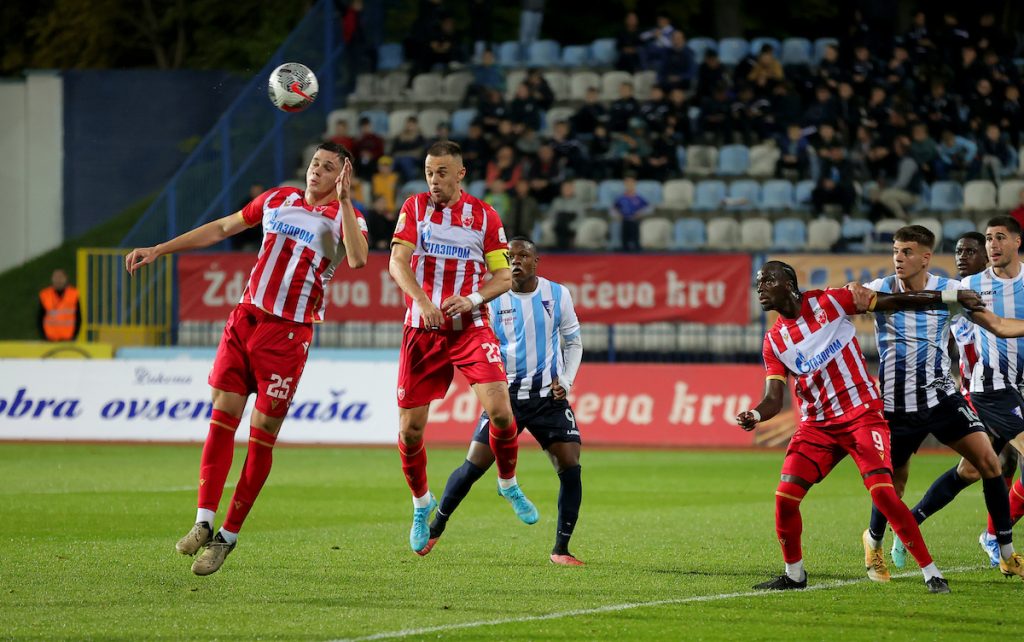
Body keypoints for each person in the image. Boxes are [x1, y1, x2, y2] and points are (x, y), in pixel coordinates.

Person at [124, 142, 369, 575]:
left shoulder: (345, 219)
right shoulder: (277, 199)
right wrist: (160, 249)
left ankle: (227, 538)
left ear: (342, 177)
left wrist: (347, 202)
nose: (316, 171)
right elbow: (222, 228)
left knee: (262, 433)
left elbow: (357, 258)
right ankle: (203, 521)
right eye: (314, 163)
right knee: (222, 414)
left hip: (288, 333)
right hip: (246, 318)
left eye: (328, 167)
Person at [736, 260, 987, 593]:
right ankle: (794, 575)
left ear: (788, 283)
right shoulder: (774, 340)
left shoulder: (830, 301)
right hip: (818, 426)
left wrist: (947, 299)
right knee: (785, 498)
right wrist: (754, 414)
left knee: (883, 492)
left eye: (767, 281)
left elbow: (894, 303)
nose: (760, 288)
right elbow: (773, 397)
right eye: (757, 283)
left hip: (860, 414)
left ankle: (931, 572)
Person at [388, 141, 537, 553]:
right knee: (410, 431)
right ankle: (421, 504)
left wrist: (471, 300)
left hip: (470, 327)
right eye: (429, 172)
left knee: (502, 415)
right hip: (422, 330)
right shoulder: (414, 209)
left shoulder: (484, 216)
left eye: (441, 173)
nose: (434, 181)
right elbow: (397, 262)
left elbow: (504, 277)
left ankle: (507, 483)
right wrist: (421, 300)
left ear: (460, 174)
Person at [853, 226, 1024, 583]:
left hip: (942, 397)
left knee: (989, 463)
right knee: (894, 485)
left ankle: (1006, 552)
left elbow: (997, 326)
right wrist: (848, 293)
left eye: (907, 252)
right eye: (896, 251)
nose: (899, 258)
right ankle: (874, 540)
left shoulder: (950, 291)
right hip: (898, 406)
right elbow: (838, 304)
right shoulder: (879, 289)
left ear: (926, 257)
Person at [421, 237, 584, 565]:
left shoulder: (558, 294)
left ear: (536, 261)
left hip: (547, 399)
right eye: (509, 256)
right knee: (472, 467)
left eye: (523, 255)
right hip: (505, 397)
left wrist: (566, 380)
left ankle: (561, 550)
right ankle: (436, 525)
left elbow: (573, 341)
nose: (515, 261)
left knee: (570, 467)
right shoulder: (490, 299)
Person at [38, 269, 80, 342]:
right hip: (50, 340)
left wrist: (74, 336)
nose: (58, 280)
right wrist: (44, 336)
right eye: (56, 277)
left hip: (68, 340)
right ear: (52, 279)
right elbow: (39, 318)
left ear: (66, 279)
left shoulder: (73, 294)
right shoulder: (45, 295)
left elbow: (78, 317)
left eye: (61, 277)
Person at [610, 176, 651, 252]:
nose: (629, 186)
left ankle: (636, 246)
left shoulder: (638, 198)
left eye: (631, 184)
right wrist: (617, 215)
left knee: (635, 233)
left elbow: (648, 207)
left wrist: (640, 213)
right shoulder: (621, 198)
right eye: (627, 184)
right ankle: (624, 246)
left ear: (635, 185)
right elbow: (613, 208)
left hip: (635, 219)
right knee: (624, 233)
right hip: (625, 219)